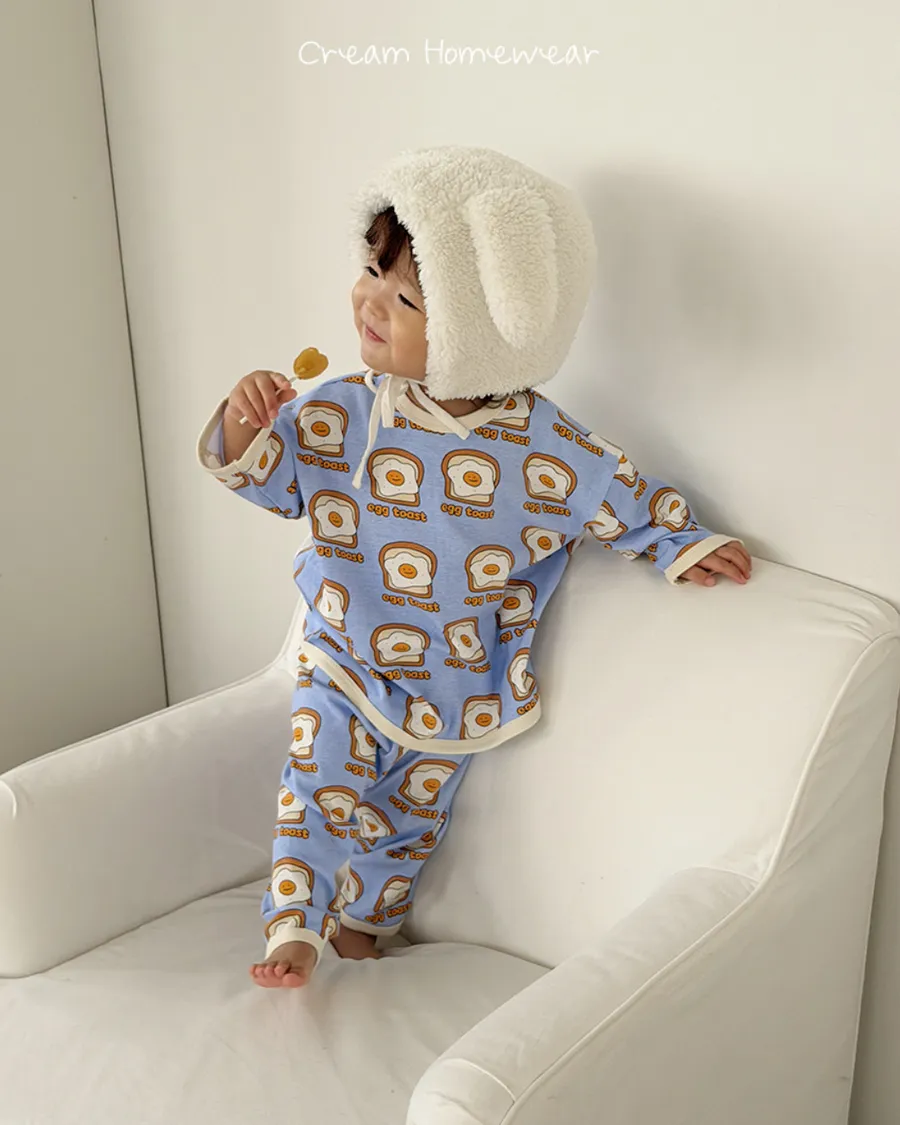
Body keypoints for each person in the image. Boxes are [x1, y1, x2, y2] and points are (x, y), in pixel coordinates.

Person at [196, 146, 752, 988]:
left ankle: (363, 929)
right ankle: (293, 927)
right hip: (344, 659)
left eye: (403, 298)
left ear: (477, 338)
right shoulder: (342, 411)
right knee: (317, 786)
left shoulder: (542, 444)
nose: (368, 302)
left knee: (405, 828)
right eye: (370, 272)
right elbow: (265, 479)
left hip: (455, 688)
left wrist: (684, 544)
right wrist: (245, 421)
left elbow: (617, 493)